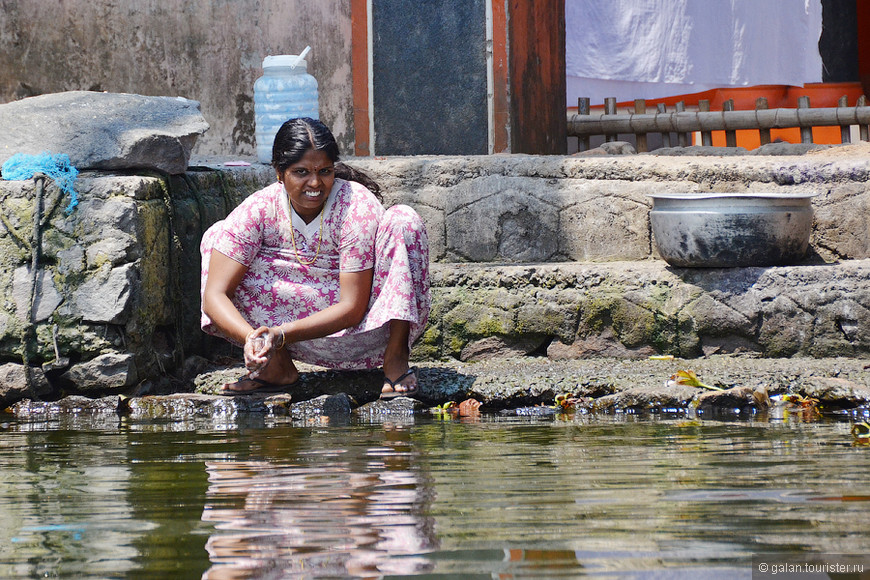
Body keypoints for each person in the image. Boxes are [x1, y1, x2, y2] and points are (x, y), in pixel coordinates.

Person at [200, 117, 430, 398]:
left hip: (364, 335)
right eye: (301, 172)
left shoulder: (356, 205)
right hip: (281, 340)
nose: (315, 183)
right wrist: (254, 339)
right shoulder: (259, 208)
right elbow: (214, 295)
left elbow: (353, 308)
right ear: (279, 172)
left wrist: (281, 334)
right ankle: (275, 368)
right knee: (217, 237)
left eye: (325, 171)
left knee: (403, 220)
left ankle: (395, 360)